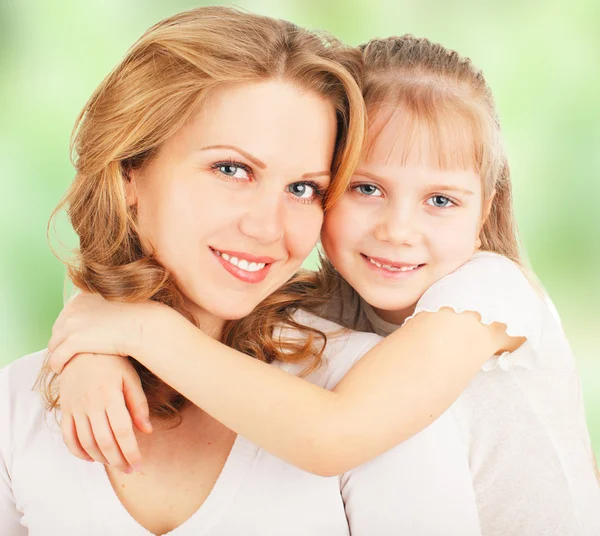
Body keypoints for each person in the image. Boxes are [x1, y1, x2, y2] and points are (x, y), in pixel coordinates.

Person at [49, 34, 600, 535]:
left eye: (440, 200)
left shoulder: (487, 295)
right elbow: (174, 287)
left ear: (485, 214)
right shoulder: (333, 296)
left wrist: (142, 333)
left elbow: (332, 437)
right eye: (365, 188)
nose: (398, 231)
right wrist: (92, 354)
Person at [0, 8, 484, 536]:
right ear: (129, 172)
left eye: (304, 189)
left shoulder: (369, 391)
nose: (266, 227)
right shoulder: (18, 404)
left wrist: (132, 326)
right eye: (231, 170)